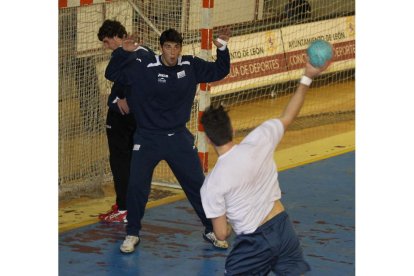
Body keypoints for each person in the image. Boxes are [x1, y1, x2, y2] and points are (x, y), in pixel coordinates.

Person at [104, 28, 232, 253]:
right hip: (147, 138)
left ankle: (210, 228)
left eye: (176, 47)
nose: (173, 53)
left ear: (180, 48)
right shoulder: (144, 66)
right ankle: (132, 233)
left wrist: (222, 47)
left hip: (178, 137)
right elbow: (112, 73)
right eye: (168, 47)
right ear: (161, 48)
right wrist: (123, 52)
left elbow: (220, 70)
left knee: (199, 186)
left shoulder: (190, 65)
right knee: (136, 187)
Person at [200, 61, 330, 275]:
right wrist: (307, 76)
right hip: (283, 228)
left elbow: (221, 234)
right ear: (232, 128)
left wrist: (232, 223)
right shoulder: (260, 139)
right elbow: (288, 115)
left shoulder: (212, 184)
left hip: (255, 243)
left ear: (208, 138)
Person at [97, 19, 151, 223]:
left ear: (115, 37)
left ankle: (124, 208)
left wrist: (122, 51)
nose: (106, 46)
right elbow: (120, 83)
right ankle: (127, 204)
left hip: (125, 119)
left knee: (121, 162)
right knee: (130, 161)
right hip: (138, 117)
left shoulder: (131, 54)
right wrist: (116, 98)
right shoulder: (146, 51)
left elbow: (110, 74)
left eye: (106, 41)